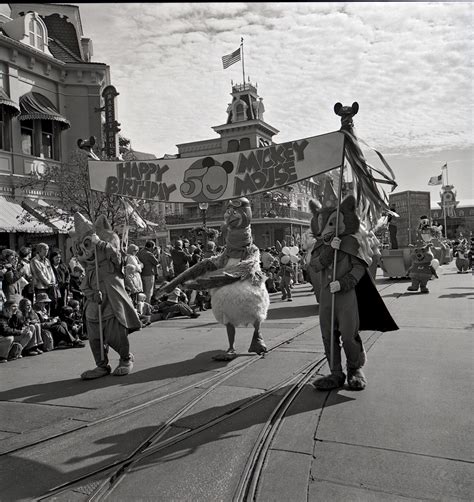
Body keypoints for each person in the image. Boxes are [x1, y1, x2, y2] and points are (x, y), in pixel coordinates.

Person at [50, 251, 70, 316]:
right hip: (54, 288)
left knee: (63, 303)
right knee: (54, 303)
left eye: (59, 257)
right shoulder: (50, 267)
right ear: (52, 258)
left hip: (63, 288)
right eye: (56, 258)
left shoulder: (63, 266)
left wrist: (66, 282)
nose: (58, 259)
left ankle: (62, 316)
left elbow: (68, 275)